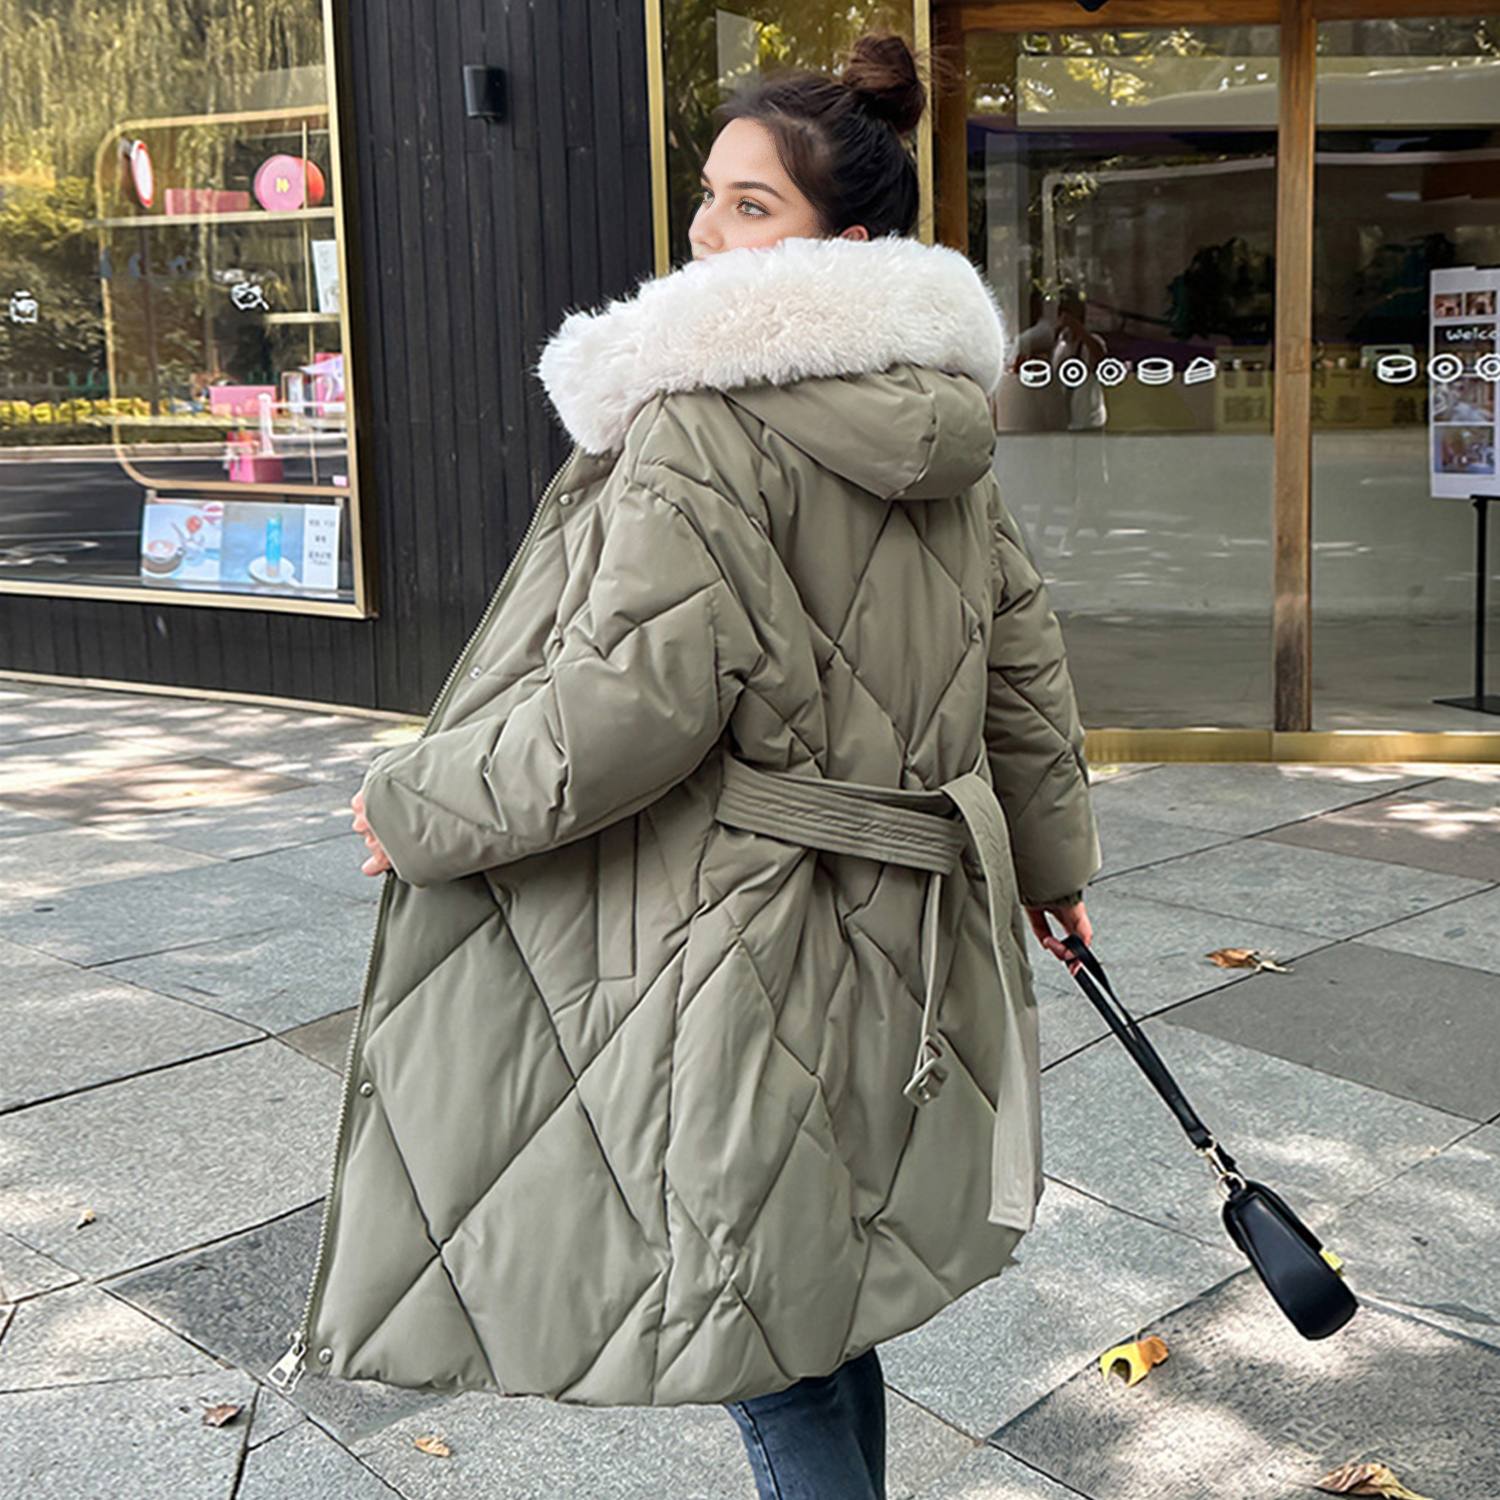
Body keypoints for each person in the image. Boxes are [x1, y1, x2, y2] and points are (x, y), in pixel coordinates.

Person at [272, 32, 1099, 1500]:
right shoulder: (947, 427)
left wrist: (419, 806)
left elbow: (626, 712)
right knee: (815, 1283)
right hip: (907, 924)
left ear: (844, 245)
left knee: (764, 1326)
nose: (709, 231)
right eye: (710, 195)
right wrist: (1052, 871)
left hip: (750, 929)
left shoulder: (700, 421)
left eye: (751, 205)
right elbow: (1024, 675)